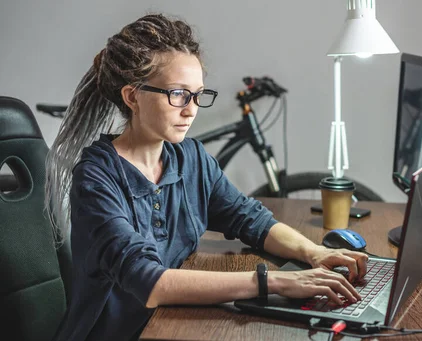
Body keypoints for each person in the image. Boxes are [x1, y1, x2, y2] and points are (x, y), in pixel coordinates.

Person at [45, 13, 368, 341]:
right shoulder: (97, 177)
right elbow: (149, 282)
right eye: (178, 94)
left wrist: (313, 252)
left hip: (171, 323)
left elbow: (249, 218)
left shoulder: (192, 159)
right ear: (132, 96)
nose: (191, 109)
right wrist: (274, 282)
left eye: (198, 94)